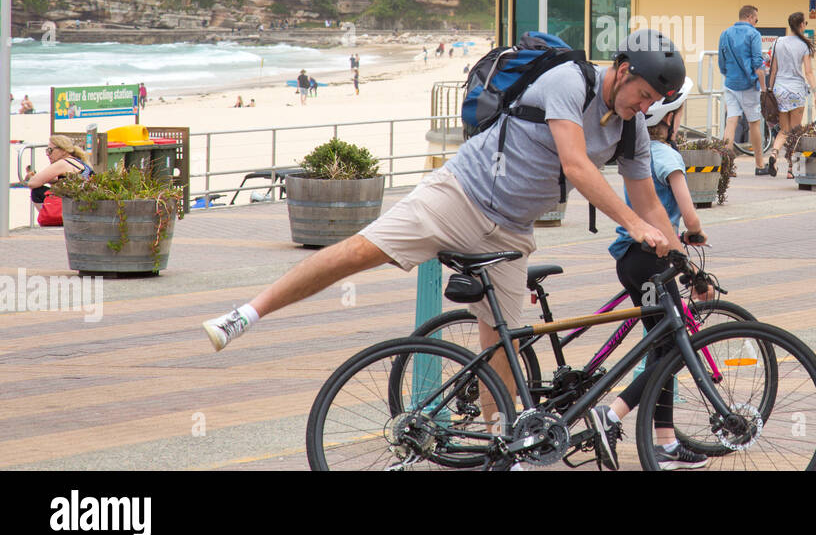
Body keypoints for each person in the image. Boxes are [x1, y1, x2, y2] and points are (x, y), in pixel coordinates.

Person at [202, 30, 686, 426]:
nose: (644, 107)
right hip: (457, 195)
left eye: (654, 103)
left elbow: (648, 202)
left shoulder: (631, 129)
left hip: (510, 232)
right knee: (357, 252)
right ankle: (246, 313)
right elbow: (577, 167)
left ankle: (504, 444)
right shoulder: (568, 81)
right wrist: (633, 227)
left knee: (505, 346)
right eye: (643, 94)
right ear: (623, 71)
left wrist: (679, 253)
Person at [589, 78, 710, 470]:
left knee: (662, 349)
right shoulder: (669, 159)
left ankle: (667, 443)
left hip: (629, 259)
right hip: (654, 259)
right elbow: (688, 214)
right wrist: (694, 234)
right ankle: (611, 415)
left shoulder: (639, 157)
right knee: (673, 350)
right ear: (671, 120)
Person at [717, 5, 772, 176]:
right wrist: (763, 88)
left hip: (730, 83)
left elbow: (721, 61)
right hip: (748, 85)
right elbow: (758, 63)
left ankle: (726, 165)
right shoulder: (753, 34)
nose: (756, 23)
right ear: (749, 17)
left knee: (731, 122)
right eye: (756, 19)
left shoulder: (725, 33)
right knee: (754, 123)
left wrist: (728, 75)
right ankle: (760, 164)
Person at [769, 12, 816, 178]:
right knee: (796, 133)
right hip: (796, 90)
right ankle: (792, 169)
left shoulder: (778, 42)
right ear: (802, 25)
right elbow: (809, 72)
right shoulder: (803, 45)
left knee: (784, 130)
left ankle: (774, 154)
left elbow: (774, 69)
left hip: (780, 89)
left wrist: (770, 90)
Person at [28, 135, 94, 206]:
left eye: (50, 150)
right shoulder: (77, 162)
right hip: (86, 203)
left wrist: (39, 179)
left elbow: (32, 183)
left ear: (63, 151)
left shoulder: (64, 163)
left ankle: (46, 216)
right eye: (47, 151)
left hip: (76, 206)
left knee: (36, 192)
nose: (47, 154)